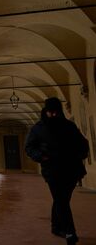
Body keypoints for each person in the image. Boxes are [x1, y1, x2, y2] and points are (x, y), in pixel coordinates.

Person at [25, 97, 89, 245]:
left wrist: (79, 154)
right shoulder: (38, 128)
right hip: (52, 170)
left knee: (62, 200)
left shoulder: (69, 126)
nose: (53, 115)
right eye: (50, 112)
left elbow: (83, 143)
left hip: (71, 170)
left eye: (56, 112)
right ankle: (70, 232)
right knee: (61, 200)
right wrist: (42, 157)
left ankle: (55, 227)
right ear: (45, 112)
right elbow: (29, 148)